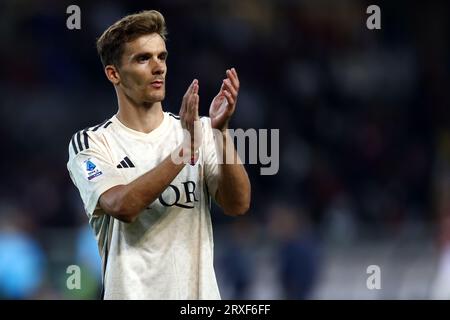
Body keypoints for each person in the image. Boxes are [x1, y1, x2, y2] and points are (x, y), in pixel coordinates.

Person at [66, 10, 251, 300]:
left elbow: (238, 204)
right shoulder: (92, 142)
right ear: (113, 73)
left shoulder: (199, 130)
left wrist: (221, 132)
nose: (158, 67)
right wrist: (186, 150)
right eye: (143, 58)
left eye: (161, 57)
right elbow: (122, 206)